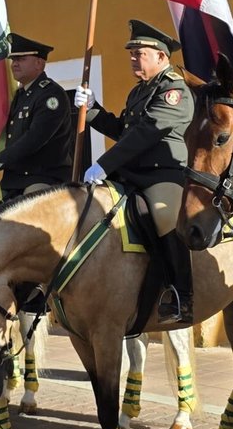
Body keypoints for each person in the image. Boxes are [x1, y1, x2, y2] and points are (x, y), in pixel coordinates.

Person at [73, 20, 195, 323]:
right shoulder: (139, 92)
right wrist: (94, 110)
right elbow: (124, 130)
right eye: (131, 53)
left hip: (162, 174)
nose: (132, 58)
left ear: (161, 57)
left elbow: (147, 132)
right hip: (131, 174)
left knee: (163, 215)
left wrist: (104, 163)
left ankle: (181, 295)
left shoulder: (175, 91)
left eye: (139, 52)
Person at [0, 33, 73, 200]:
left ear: (39, 63)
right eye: (13, 59)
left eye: (21, 59)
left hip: (42, 178)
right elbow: (8, 134)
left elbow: (34, 139)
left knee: (30, 213)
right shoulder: (21, 95)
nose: (14, 64)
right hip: (14, 180)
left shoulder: (51, 95)